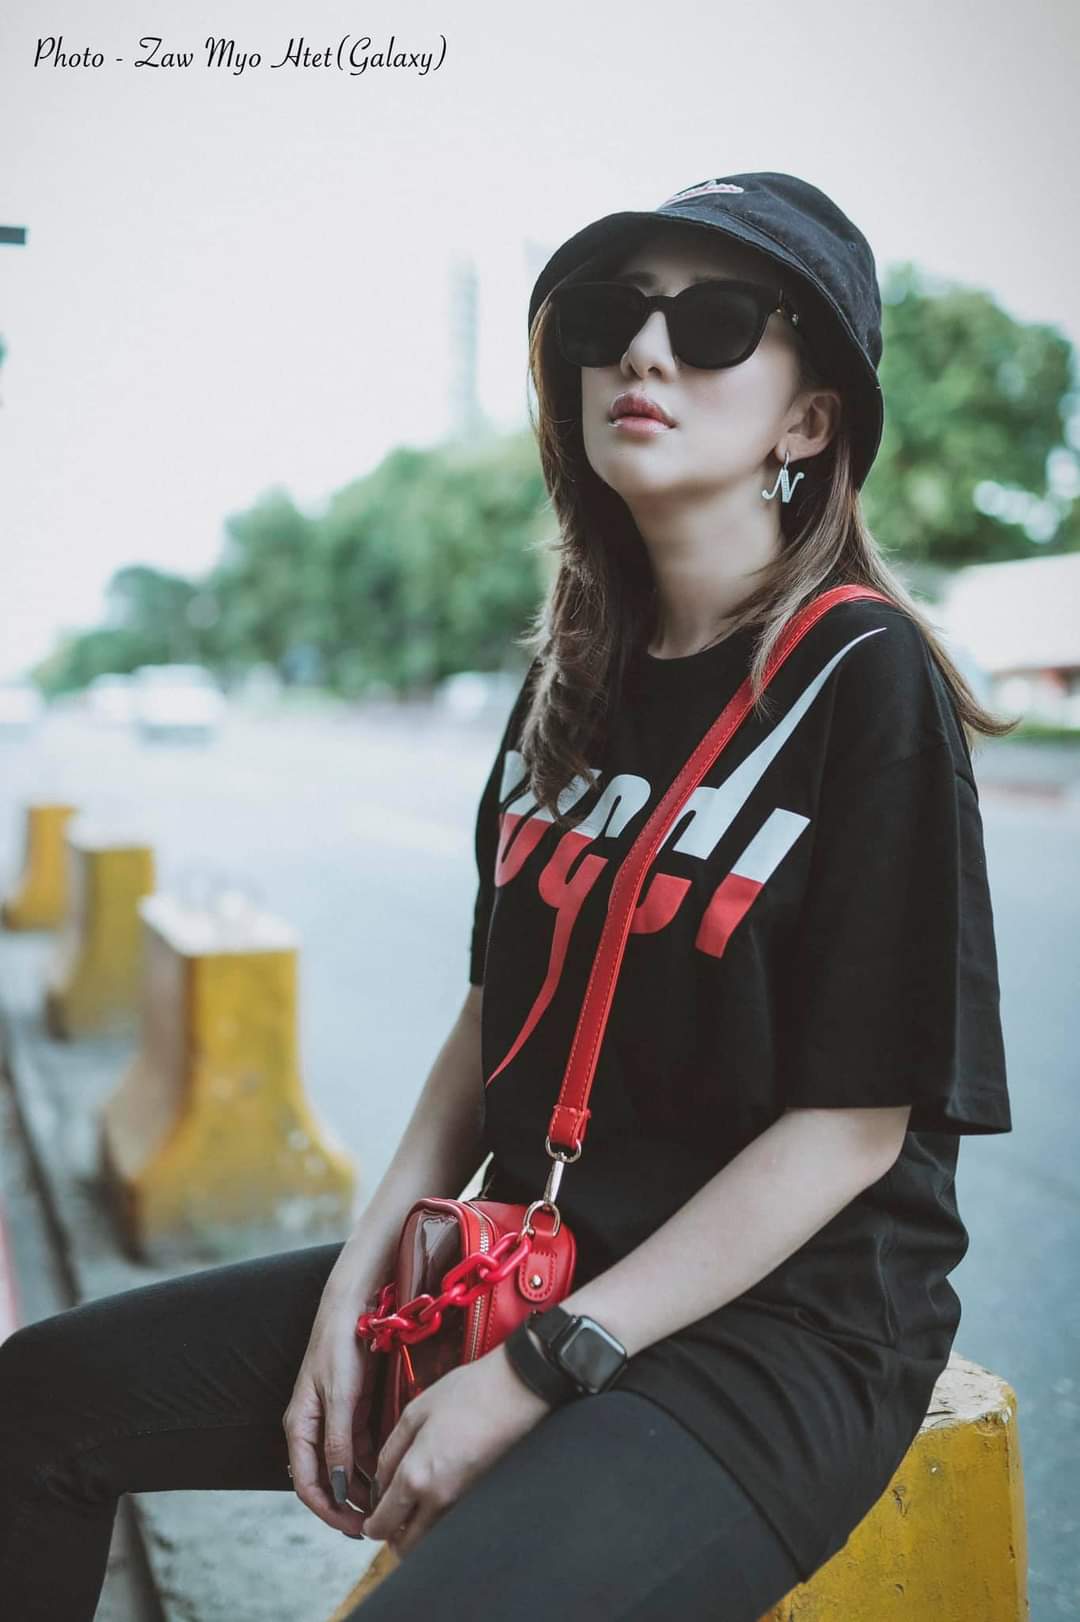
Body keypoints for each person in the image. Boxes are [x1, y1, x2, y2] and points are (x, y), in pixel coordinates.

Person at [0, 171, 1014, 1621]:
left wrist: (543, 1366)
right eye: (611, 316)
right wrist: (361, 1279)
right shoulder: (572, 677)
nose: (644, 351)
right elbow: (491, 1022)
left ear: (809, 420)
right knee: (38, 1401)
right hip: (527, 1262)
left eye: (715, 324)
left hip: (771, 1335)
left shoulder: (863, 679)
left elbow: (851, 1129)